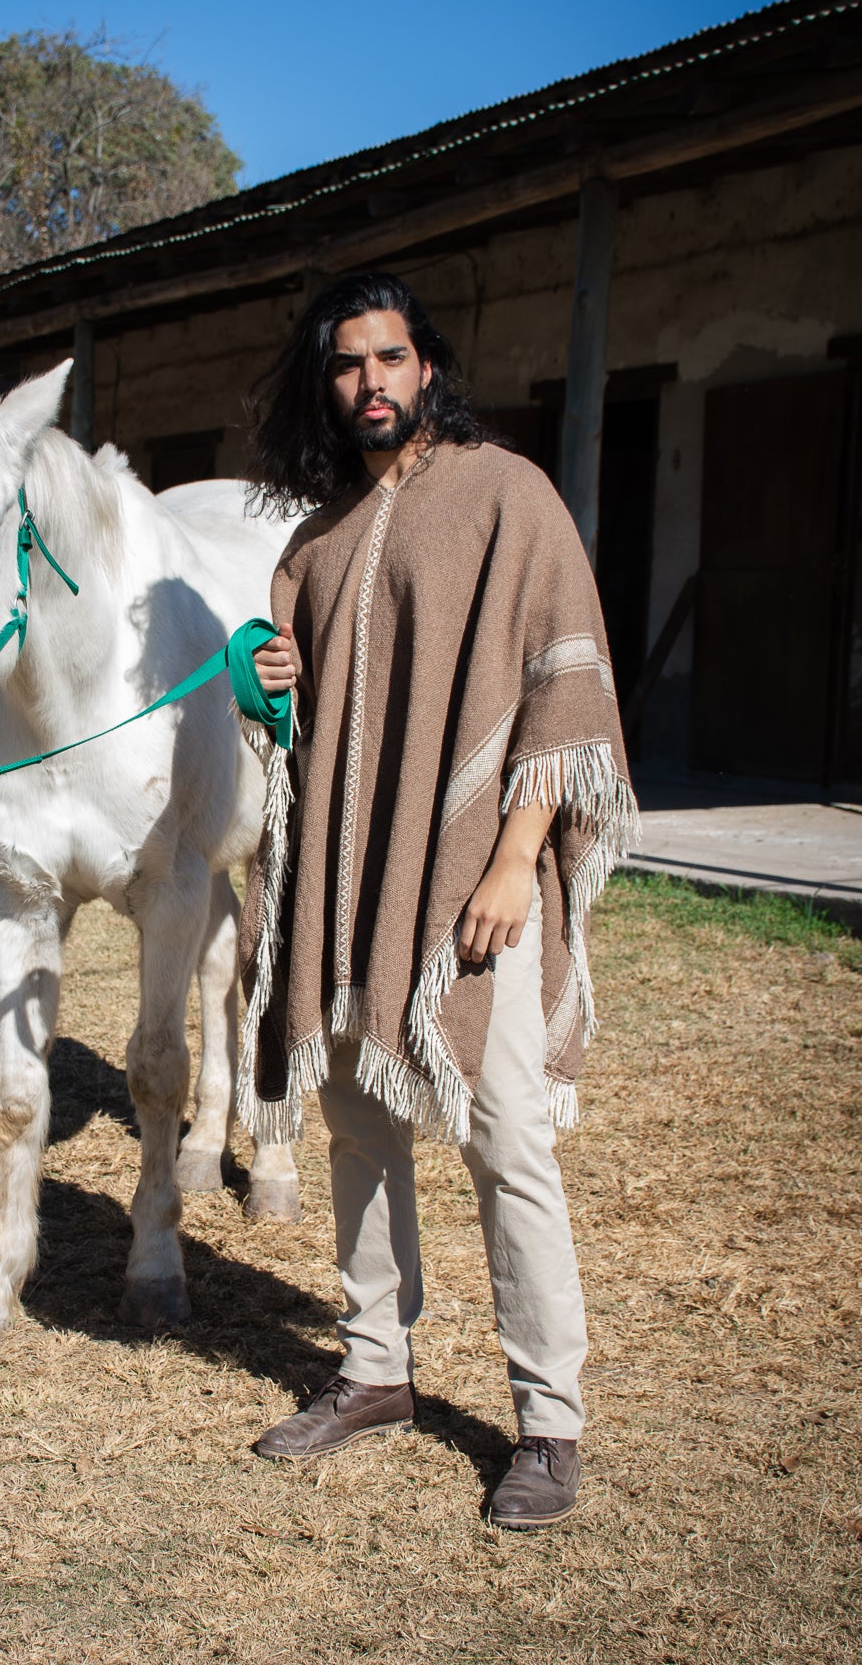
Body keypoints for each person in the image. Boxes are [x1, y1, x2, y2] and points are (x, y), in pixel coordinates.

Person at [239, 271, 638, 1529]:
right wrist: (276, 675)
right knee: (358, 1124)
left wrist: (518, 855)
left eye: (392, 357)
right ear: (330, 381)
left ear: (428, 366)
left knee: (503, 1128)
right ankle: (373, 1368)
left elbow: (558, 686)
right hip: (355, 878)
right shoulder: (312, 542)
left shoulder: (507, 495)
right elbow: (311, 723)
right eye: (351, 363)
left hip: (467, 876)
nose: (373, 382)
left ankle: (549, 1420)